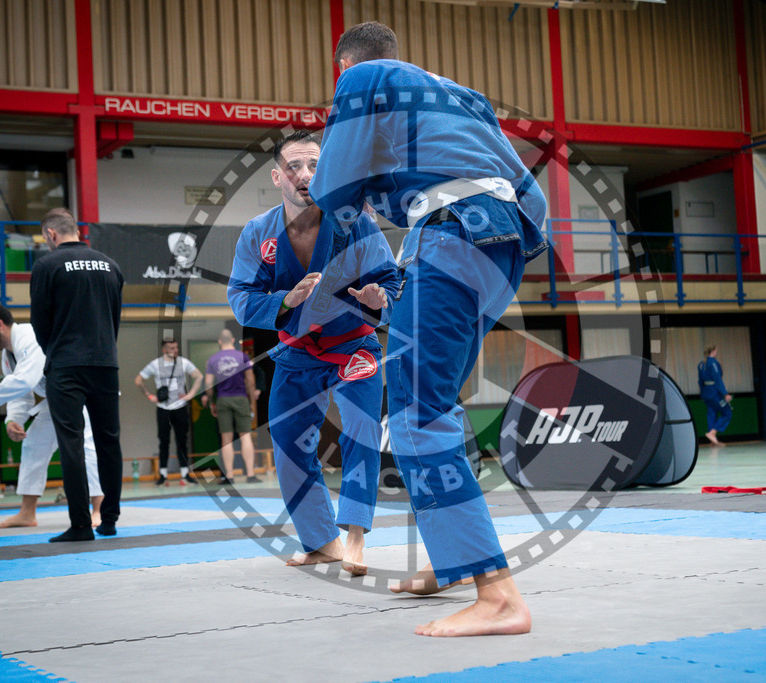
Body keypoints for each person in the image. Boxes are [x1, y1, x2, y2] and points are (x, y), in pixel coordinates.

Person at [309, 22, 547, 636]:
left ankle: (499, 599)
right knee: (435, 404)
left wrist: (344, 213)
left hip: (452, 230)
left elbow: (330, 186)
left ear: (345, 67)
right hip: (504, 240)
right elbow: (531, 199)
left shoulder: (361, 79)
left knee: (415, 413)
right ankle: (456, 565)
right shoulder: (461, 96)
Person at [228, 129, 399, 576]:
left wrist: (380, 299)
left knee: (360, 432)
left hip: (352, 346)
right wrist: (285, 301)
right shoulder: (257, 233)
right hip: (296, 352)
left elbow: (391, 280)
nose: (305, 175)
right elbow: (241, 298)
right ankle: (323, 541)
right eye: (294, 167)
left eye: (315, 166)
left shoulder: (355, 222)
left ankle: (356, 537)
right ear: (277, 177)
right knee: (286, 443)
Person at [0, 303, 104, 529]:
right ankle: (27, 513)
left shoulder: (29, 337)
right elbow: (20, 393)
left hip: (82, 394)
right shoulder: (8, 354)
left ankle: (98, 511)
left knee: (85, 448)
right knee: (33, 445)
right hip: (57, 399)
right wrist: (14, 420)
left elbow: (24, 380)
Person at [30, 208, 124, 542]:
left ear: (51, 235)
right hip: (105, 361)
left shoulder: (46, 265)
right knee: (108, 441)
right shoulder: (110, 264)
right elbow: (114, 317)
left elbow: (40, 321)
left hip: (66, 364)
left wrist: (55, 349)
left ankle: (81, 525)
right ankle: (109, 520)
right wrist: (103, 349)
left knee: (71, 444)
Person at [135, 340, 203, 486]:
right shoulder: (155, 364)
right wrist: (149, 395)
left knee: (182, 441)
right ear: (164, 350)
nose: (175, 350)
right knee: (163, 441)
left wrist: (191, 394)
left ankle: (185, 474)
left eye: (176, 347)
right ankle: (163, 475)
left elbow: (199, 376)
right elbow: (138, 380)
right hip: (163, 408)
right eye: (172, 348)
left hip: (180, 406)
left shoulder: (183, 362)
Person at [202, 329, 260, 485]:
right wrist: (252, 404)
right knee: (245, 436)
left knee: (226, 439)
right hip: (241, 398)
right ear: (233, 340)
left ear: (219, 342)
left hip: (223, 399)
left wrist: (211, 402)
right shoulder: (243, 356)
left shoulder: (212, 359)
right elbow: (250, 381)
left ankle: (229, 476)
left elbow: (208, 384)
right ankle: (250, 474)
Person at [698, 345, 732, 446]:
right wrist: (725, 394)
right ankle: (712, 433)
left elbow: (700, 381)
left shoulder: (701, 364)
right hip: (714, 393)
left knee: (712, 413)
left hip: (706, 393)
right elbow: (717, 379)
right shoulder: (713, 363)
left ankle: (712, 441)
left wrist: (702, 394)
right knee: (727, 413)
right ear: (713, 351)